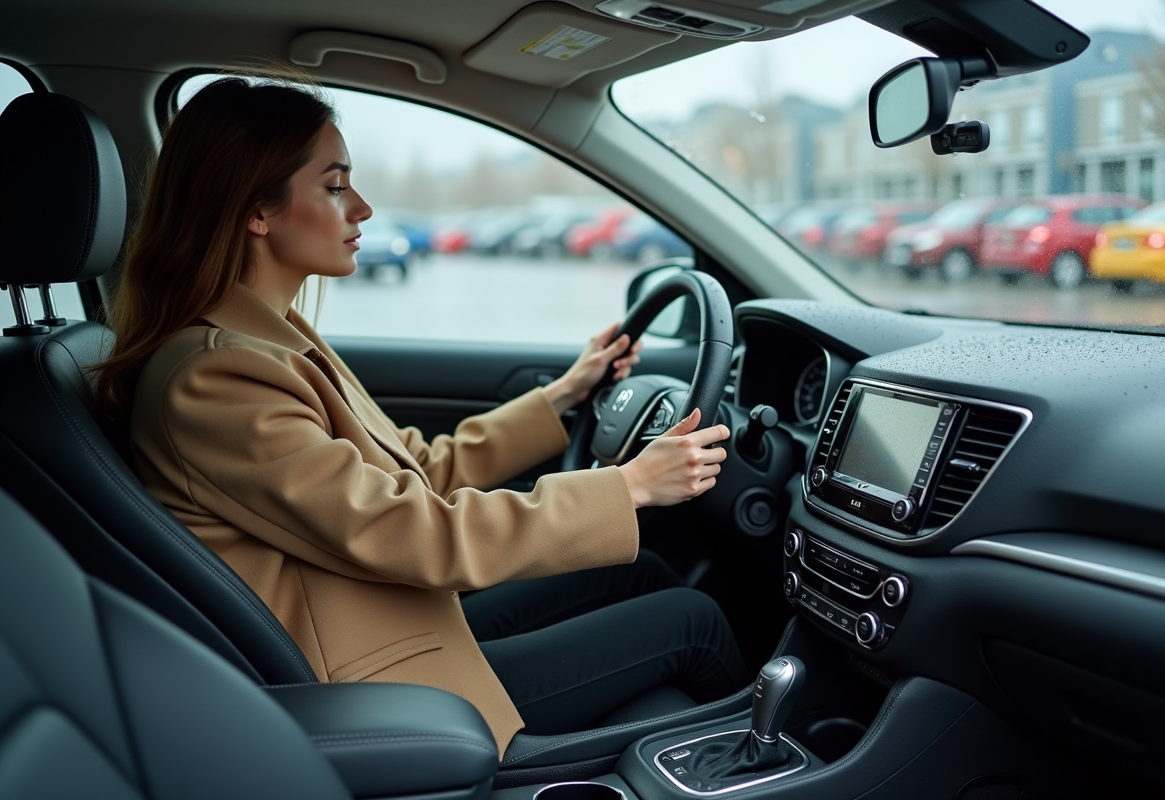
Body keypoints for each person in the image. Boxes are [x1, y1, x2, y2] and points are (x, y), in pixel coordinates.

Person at [95, 74, 748, 754]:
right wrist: (631, 487)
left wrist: (560, 398)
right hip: (373, 685)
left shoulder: (266, 340)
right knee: (692, 621)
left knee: (632, 570)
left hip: (384, 616)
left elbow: (416, 469)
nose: (365, 208)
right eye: (336, 185)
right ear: (257, 211)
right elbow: (414, 531)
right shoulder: (218, 377)